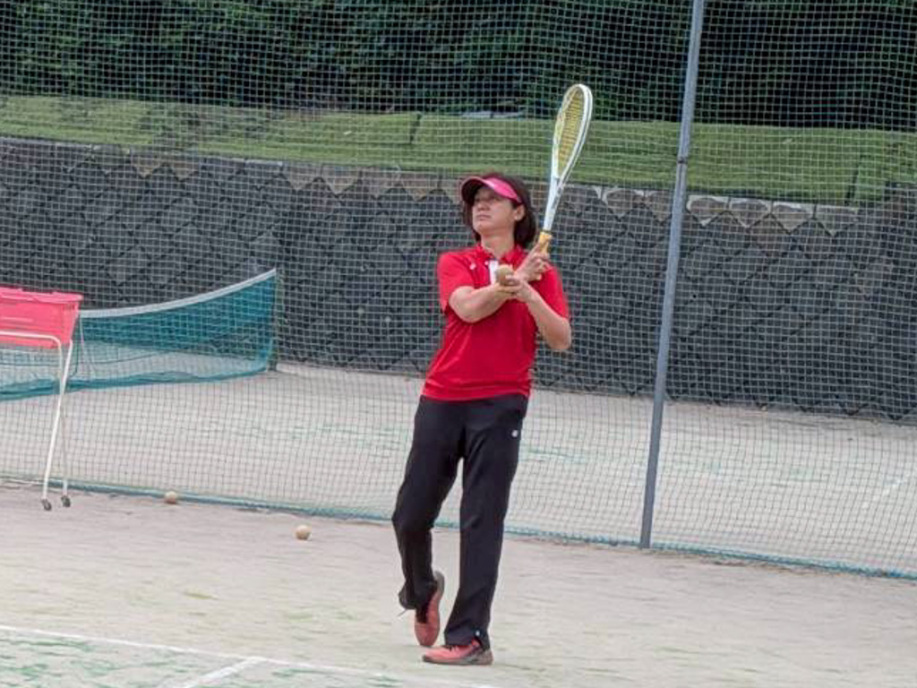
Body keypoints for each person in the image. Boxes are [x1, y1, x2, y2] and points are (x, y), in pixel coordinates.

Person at [391, 172, 571, 666]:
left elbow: (560, 339)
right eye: (477, 199)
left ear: (519, 212)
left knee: (482, 520)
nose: (481, 206)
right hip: (442, 398)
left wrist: (529, 291)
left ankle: (471, 637)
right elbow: (468, 309)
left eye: (495, 199)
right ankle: (421, 588)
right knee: (409, 515)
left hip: (501, 403)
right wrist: (508, 283)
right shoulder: (456, 262)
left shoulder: (541, 273)